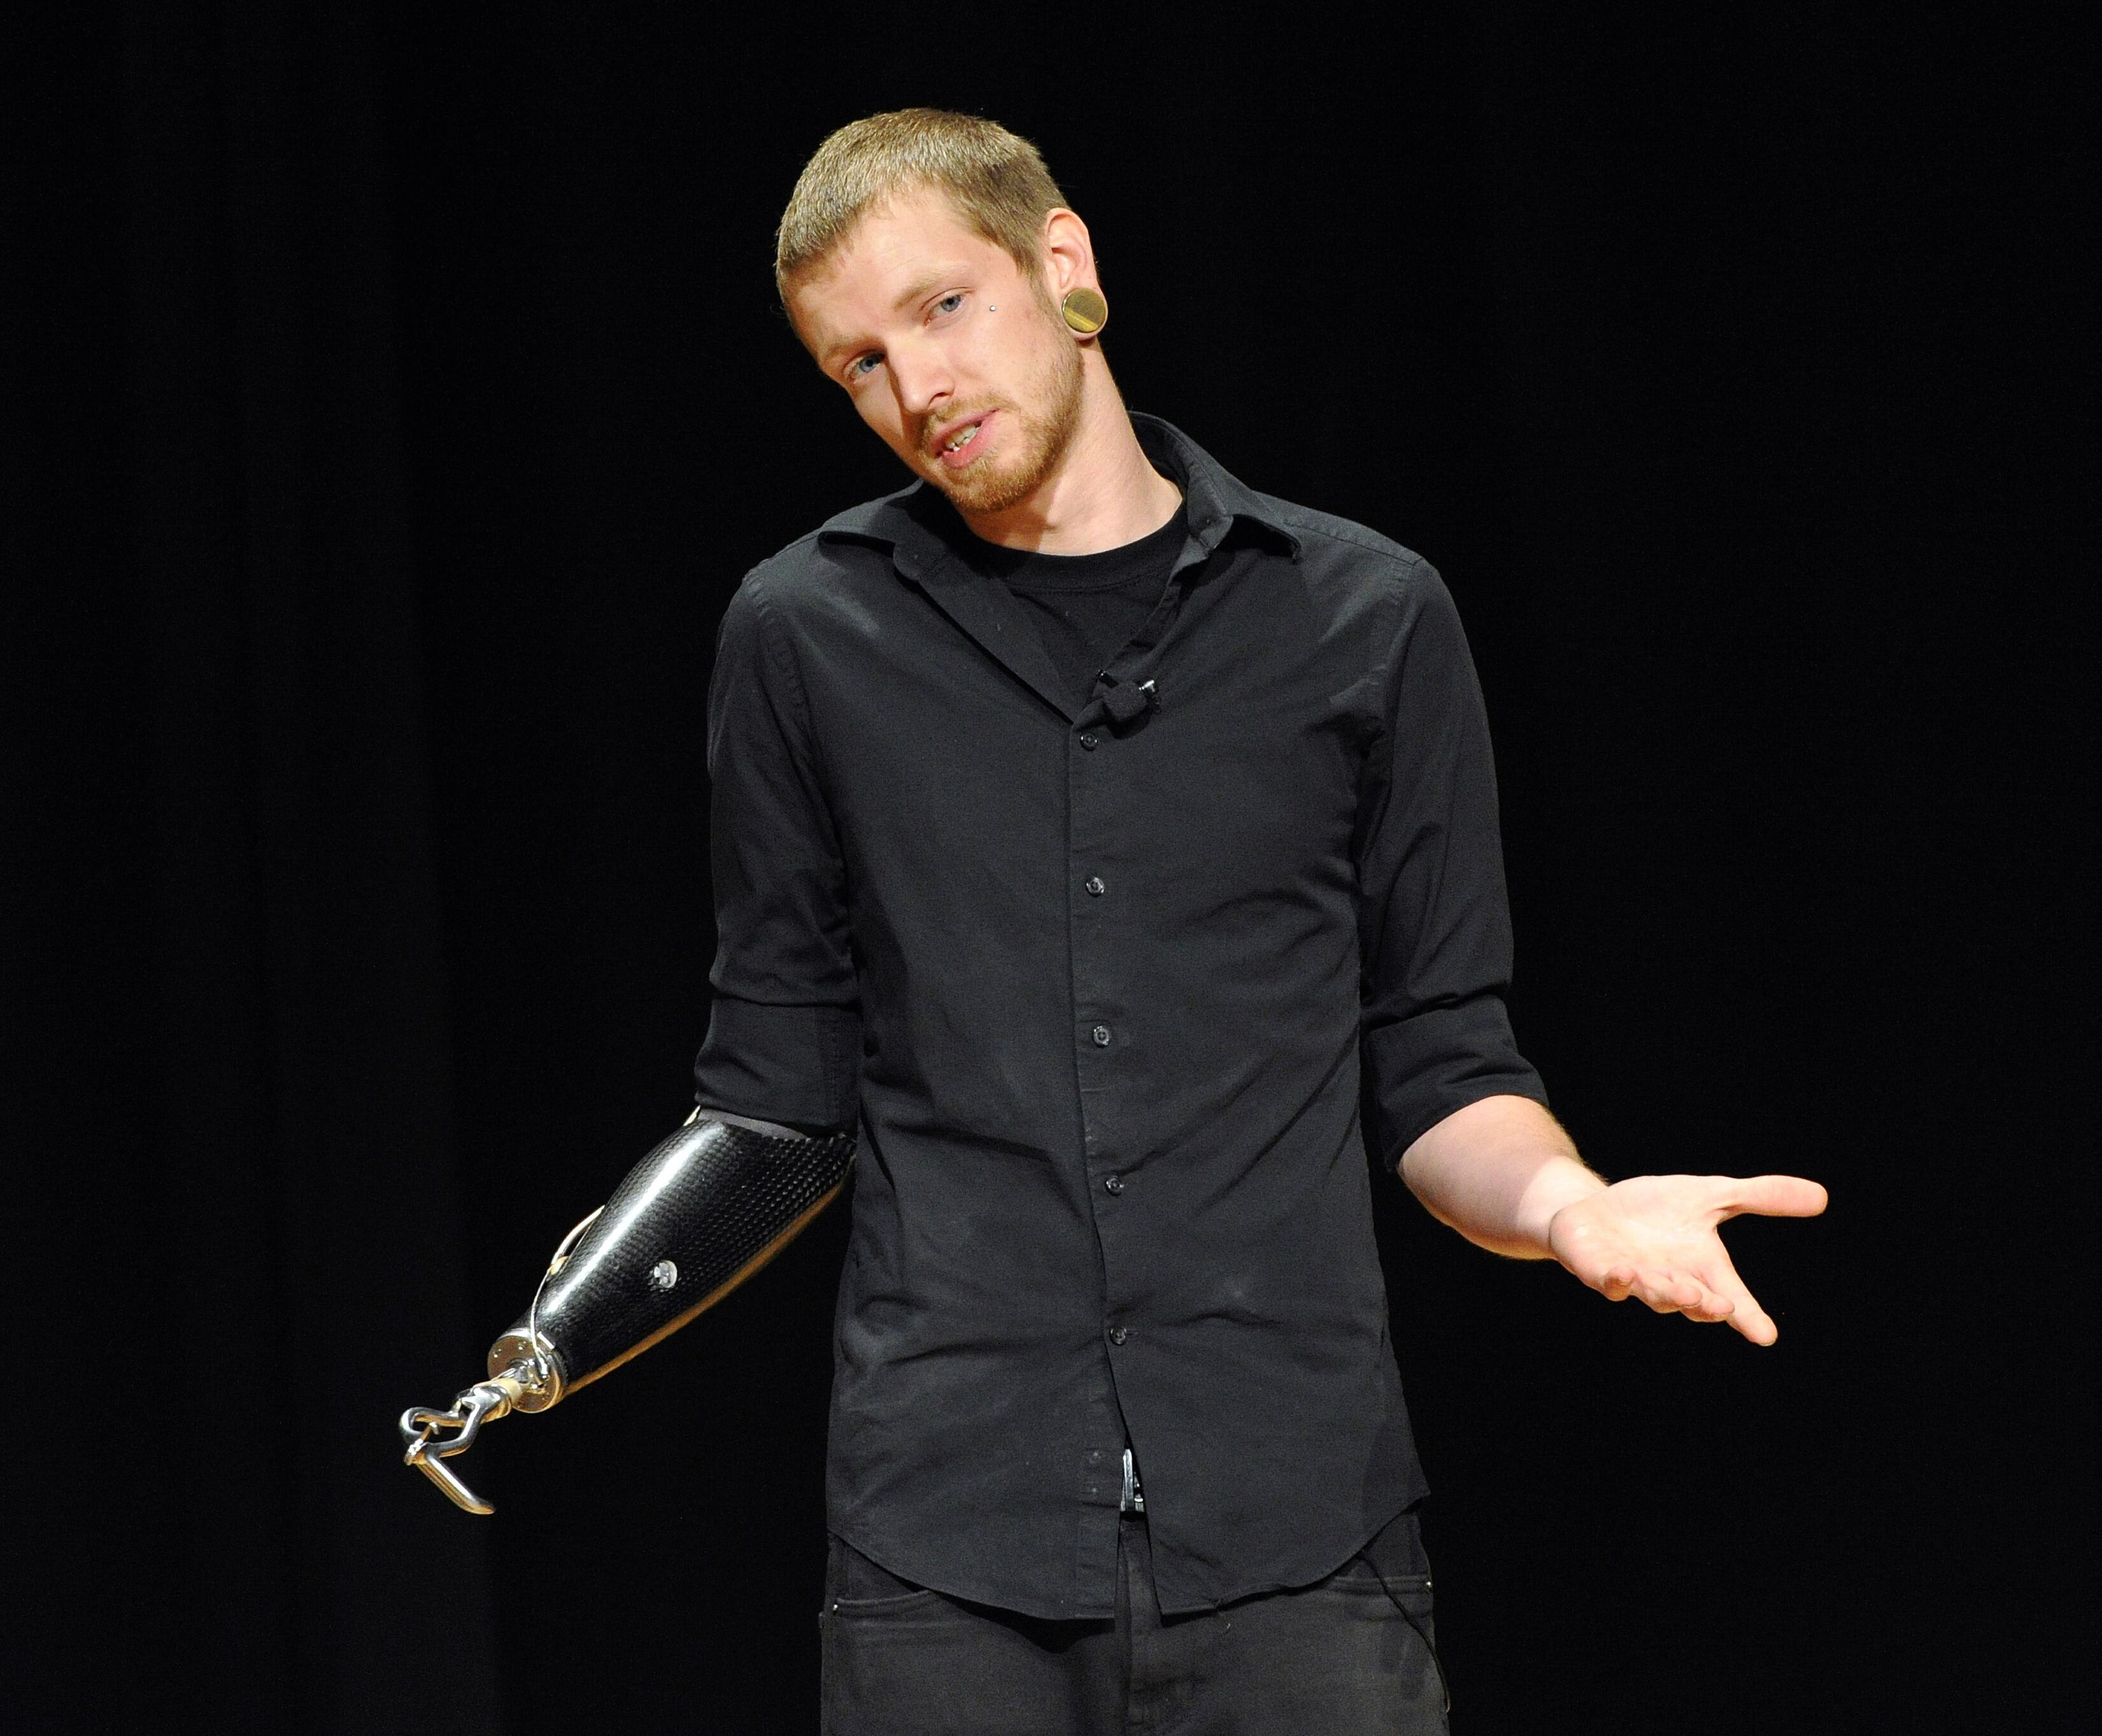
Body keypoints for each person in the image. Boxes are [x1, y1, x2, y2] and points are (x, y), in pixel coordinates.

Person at [697, 108, 1828, 1735]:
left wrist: (1572, 1206)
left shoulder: (1360, 618)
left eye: (941, 308)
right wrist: (560, 1333)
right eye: (858, 364)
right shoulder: (807, 637)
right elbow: (770, 1093)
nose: (916, 388)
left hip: (1305, 1527)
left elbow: (1441, 1065)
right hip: (947, 1542)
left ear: (1063, 263)